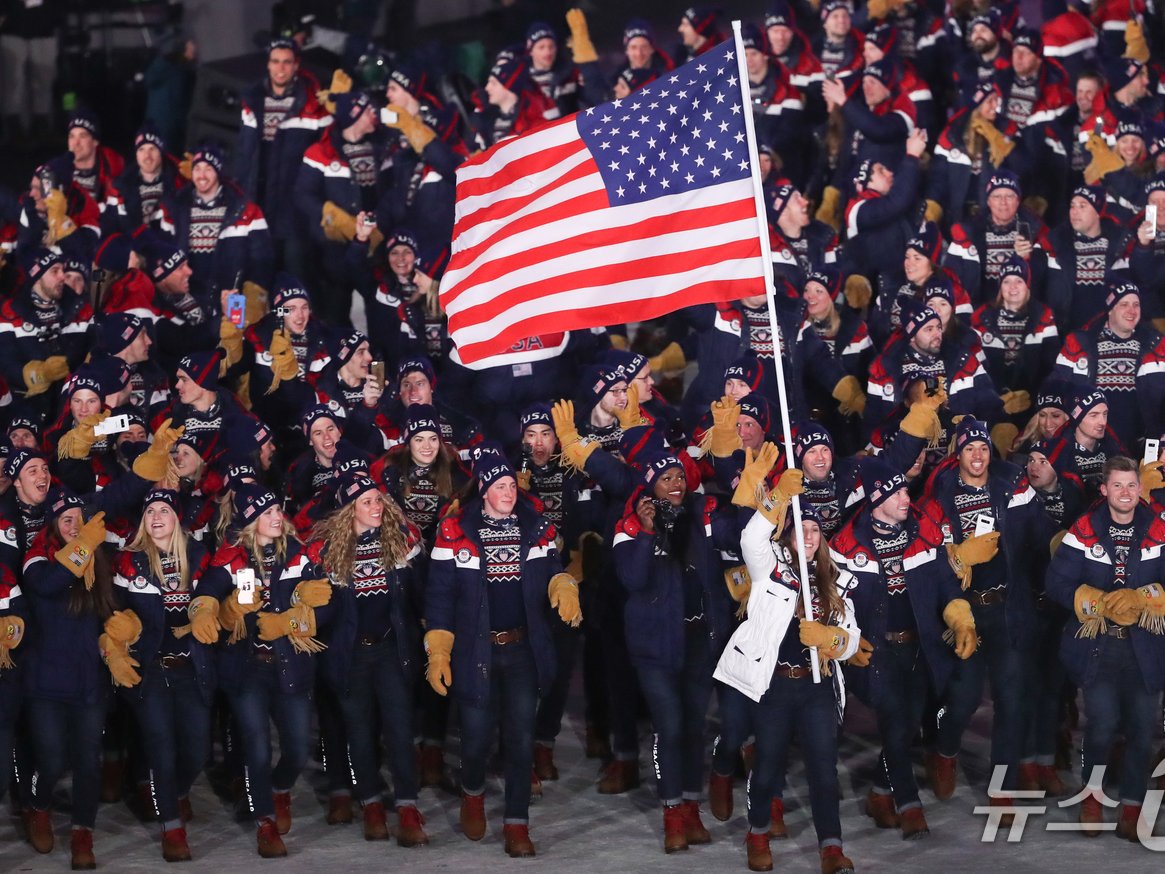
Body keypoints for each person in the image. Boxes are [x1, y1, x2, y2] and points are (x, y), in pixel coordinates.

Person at [424, 445, 578, 857]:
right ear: (485, 489)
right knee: (474, 739)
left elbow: (551, 571)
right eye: (500, 485)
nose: (509, 491)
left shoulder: (537, 528)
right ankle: (472, 793)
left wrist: (562, 584)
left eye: (512, 484)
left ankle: (516, 824)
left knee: (520, 739)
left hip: (522, 649)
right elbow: (439, 596)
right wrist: (438, 649)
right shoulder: (455, 531)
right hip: (477, 652)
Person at [830, 458, 977, 839]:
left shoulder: (923, 531)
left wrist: (961, 617)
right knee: (896, 723)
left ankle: (880, 793)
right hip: (875, 652)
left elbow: (945, 583)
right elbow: (831, 601)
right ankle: (909, 804)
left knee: (907, 726)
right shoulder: (846, 544)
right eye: (896, 492)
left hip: (920, 649)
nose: (905, 497)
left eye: (905, 489)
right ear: (876, 498)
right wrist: (844, 641)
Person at [714, 501, 859, 874]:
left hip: (817, 688)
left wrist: (834, 639)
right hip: (776, 685)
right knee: (768, 767)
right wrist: (775, 499)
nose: (808, 536)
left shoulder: (836, 576)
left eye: (814, 530)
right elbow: (750, 538)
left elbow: (853, 637)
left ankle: (831, 847)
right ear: (789, 535)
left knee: (824, 770)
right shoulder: (771, 569)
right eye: (800, 530)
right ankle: (758, 833)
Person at [612, 452, 739, 853]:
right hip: (654, 644)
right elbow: (632, 578)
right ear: (650, 485)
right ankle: (672, 815)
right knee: (669, 725)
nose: (675, 483)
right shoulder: (630, 524)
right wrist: (649, 532)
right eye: (665, 478)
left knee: (694, 726)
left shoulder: (702, 516)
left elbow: (738, 536)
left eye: (679, 476)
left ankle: (691, 807)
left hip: (699, 639)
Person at [199, 484, 332, 858]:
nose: (277, 517)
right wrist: (220, 610)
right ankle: (265, 824)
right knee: (256, 749)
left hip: (291, 665)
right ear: (250, 522)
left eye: (278, 510)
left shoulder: (302, 554)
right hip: (247, 671)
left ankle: (279, 789)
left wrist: (294, 620)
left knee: (297, 748)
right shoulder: (231, 557)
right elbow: (205, 594)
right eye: (268, 512)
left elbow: (329, 607)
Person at [1046, 455, 1165, 838]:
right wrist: (1097, 600)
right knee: (1101, 727)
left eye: (1132, 485)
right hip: (1100, 647)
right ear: (1104, 489)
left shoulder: (1160, 528)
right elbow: (1057, 584)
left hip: (1146, 649)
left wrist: (1146, 598)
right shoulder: (1082, 530)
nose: (1126, 493)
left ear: (1139, 488)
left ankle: (1132, 808)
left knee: (1142, 731)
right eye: (1118, 485)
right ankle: (1092, 799)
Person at [312, 471, 429, 845]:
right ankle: (373, 805)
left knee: (399, 729)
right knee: (359, 733)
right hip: (352, 655)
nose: (376, 506)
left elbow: (420, 596)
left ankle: (408, 808)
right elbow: (326, 611)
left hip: (391, 650)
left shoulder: (402, 540)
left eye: (378, 500)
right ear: (350, 510)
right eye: (367, 502)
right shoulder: (328, 552)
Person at [111, 489, 216, 862]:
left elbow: (215, 590)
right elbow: (114, 613)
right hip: (151, 671)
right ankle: (172, 828)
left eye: (164, 510)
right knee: (161, 749)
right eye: (150, 510)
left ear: (176, 519)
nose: (156, 515)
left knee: (198, 748)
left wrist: (209, 607)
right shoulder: (128, 562)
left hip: (191, 668)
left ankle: (176, 792)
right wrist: (115, 641)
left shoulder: (199, 555)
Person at [20, 491, 113, 869]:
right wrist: (84, 547)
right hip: (45, 684)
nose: (74, 526)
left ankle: (82, 832)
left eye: (79, 518)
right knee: (53, 758)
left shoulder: (98, 564)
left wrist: (119, 634)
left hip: (88, 683)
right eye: (66, 519)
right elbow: (49, 584)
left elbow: (111, 610)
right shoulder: (37, 558)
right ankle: (39, 807)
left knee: (89, 761)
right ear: (54, 526)